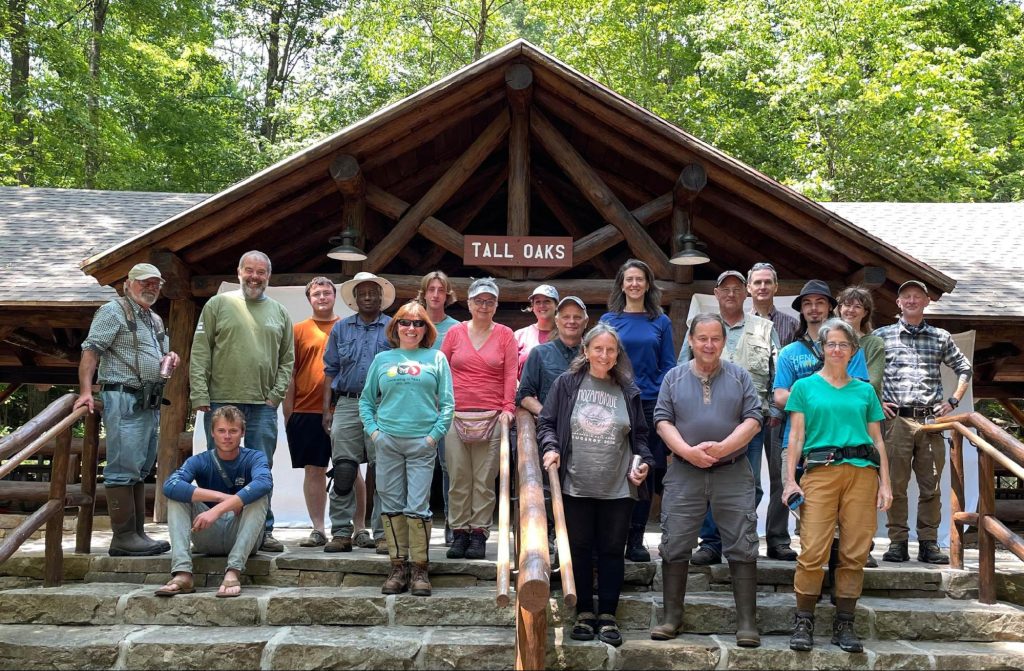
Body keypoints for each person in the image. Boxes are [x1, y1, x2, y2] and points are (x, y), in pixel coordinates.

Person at [651, 313, 763, 649]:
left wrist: (724, 447)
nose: (709, 345)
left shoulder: (741, 377)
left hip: (732, 469)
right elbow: (661, 420)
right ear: (691, 340)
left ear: (723, 342)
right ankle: (672, 617)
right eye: (702, 338)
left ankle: (746, 622)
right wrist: (688, 451)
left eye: (715, 339)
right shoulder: (673, 378)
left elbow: (754, 418)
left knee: (742, 542)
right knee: (675, 542)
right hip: (685, 471)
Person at [538, 323, 652, 648]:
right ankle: (585, 612)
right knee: (580, 550)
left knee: (613, 551)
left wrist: (642, 462)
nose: (604, 355)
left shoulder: (628, 390)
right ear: (585, 352)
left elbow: (641, 437)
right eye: (598, 349)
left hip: (618, 486)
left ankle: (609, 615)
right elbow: (546, 423)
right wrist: (551, 448)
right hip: (575, 484)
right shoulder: (567, 383)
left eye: (610, 350)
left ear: (617, 355)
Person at [783, 319, 893, 653]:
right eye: (830, 344)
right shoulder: (804, 388)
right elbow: (797, 437)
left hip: (862, 473)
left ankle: (845, 622)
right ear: (821, 348)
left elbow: (877, 439)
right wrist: (790, 480)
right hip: (820, 473)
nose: (836, 350)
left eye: (843, 345)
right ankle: (804, 619)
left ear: (853, 351)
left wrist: (885, 483)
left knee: (854, 552)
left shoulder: (865, 390)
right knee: (813, 549)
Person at [189, 250, 294, 553]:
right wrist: (199, 392)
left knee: (261, 469)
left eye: (261, 272)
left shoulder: (279, 312)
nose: (254, 277)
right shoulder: (218, 304)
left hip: (263, 405)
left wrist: (275, 395)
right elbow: (200, 351)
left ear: (268, 277)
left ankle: (262, 531)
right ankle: (215, 531)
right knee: (217, 468)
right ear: (239, 272)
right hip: (221, 399)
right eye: (249, 270)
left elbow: (288, 358)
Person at [75, 262, 178, 556]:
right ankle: (122, 537)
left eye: (156, 283)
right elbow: (91, 350)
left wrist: (169, 359)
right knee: (123, 467)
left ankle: (137, 534)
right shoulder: (113, 311)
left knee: (141, 465)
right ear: (128, 283)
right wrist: (85, 391)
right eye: (145, 282)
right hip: (122, 396)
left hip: (148, 399)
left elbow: (153, 357)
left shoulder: (155, 320)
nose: (151, 287)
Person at [677, 270, 779, 565]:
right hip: (707, 420)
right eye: (726, 289)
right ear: (716, 294)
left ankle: (738, 539)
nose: (732, 293)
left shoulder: (764, 327)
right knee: (710, 484)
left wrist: (772, 409)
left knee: (750, 485)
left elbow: (777, 372)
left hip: (752, 423)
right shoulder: (700, 328)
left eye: (737, 288)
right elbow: (682, 369)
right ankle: (711, 543)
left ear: (746, 293)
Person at [873, 280, 972, 564]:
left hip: (930, 421)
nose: (912, 300)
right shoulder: (882, 336)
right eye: (907, 296)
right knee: (896, 484)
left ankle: (928, 543)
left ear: (926, 301)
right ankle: (898, 542)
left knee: (931, 486)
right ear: (898, 302)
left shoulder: (940, 337)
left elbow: (964, 368)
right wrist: (877, 401)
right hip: (896, 421)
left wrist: (953, 401)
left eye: (917, 296)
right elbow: (864, 373)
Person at [360, 301, 454, 596]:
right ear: (395, 326)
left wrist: (433, 437)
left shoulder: (436, 358)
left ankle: (420, 570)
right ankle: (397, 567)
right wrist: (375, 433)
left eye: (418, 323)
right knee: (390, 505)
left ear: (426, 328)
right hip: (388, 441)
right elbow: (366, 401)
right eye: (405, 322)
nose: (411, 328)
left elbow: (448, 403)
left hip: (421, 444)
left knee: (418, 506)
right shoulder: (382, 360)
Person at [600, 259, 675, 562]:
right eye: (628, 279)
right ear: (621, 284)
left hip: (649, 404)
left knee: (643, 472)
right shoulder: (609, 319)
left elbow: (668, 365)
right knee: (616, 470)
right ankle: (612, 537)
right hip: (615, 401)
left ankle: (636, 539)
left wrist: (655, 396)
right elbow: (601, 360)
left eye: (639, 279)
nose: (634, 284)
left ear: (647, 284)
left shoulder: (661, 321)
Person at [155, 405, 272, 598]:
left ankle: (233, 571)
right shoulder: (199, 460)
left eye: (233, 431)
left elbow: (264, 483)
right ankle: (183, 573)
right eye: (221, 431)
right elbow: (170, 486)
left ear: (242, 433)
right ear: (212, 433)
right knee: (177, 498)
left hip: (242, 534)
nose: (227, 436)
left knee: (259, 496)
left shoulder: (254, 457)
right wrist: (221, 499)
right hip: (206, 533)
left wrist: (217, 510)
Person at [440, 277, 517, 560]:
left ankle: (478, 534)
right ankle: (458, 533)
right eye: (479, 301)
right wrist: (441, 405)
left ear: (496, 305)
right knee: (459, 476)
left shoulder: (506, 334)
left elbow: (510, 373)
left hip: (492, 414)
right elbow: (441, 368)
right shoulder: (455, 333)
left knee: (484, 479)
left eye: (490, 301)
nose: (484, 306)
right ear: (469, 303)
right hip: (455, 413)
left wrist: (508, 408)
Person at [322, 272, 394, 553]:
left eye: (372, 293)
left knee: (384, 470)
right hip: (348, 403)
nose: (367, 297)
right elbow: (330, 370)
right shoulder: (341, 329)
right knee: (343, 468)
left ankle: (384, 534)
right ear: (355, 298)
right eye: (362, 293)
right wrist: (327, 408)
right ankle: (341, 532)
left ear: (380, 297)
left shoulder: (392, 327)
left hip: (383, 404)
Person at [517, 295, 589, 564]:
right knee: (548, 488)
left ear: (585, 321)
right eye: (565, 316)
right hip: (552, 435)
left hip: (590, 436)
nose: (571, 321)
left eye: (576, 316)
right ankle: (548, 538)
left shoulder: (595, 351)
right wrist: (550, 415)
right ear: (556, 320)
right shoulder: (540, 353)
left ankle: (577, 543)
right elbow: (524, 394)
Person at [747, 261, 799, 561]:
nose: (763, 287)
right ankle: (744, 536)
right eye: (758, 283)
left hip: (782, 414)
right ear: (749, 288)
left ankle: (779, 539)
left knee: (782, 476)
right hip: (751, 415)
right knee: (748, 481)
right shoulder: (741, 325)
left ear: (775, 287)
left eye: (768, 282)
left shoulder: (791, 325)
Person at [283, 277, 341, 548]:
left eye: (326, 292)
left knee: (350, 469)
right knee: (314, 470)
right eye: (316, 293)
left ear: (334, 296)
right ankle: (319, 528)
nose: (322, 297)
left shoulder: (347, 327)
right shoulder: (298, 330)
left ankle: (359, 528)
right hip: (306, 409)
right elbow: (290, 374)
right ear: (309, 299)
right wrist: (289, 413)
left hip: (343, 409)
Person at [416, 270, 460, 545]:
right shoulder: (412, 323)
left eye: (440, 290)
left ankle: (452, 527)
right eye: (430, 289)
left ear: (447, 295)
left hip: (444, 409)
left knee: (448, 468)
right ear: (424, 293)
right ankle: (417, 527)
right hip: (415, 408)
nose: (435, 295)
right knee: (417, 468)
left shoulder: (456, 328)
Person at [835, 286, 885, 398]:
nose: (851, 310)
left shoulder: (874, 343)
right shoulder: (828, 340)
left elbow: (873, 382)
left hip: (864, 409)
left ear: (865, 313)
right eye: (847, 305)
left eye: (857, 307)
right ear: (840, 308)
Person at [514, 284, 559, 376]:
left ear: (556, 305)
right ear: (532, 307)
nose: (542, 305)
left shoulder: (566, 335)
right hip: (524, 389)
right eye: (538, 302)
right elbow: (509, 370)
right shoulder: (519, 335)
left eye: (547, 301)